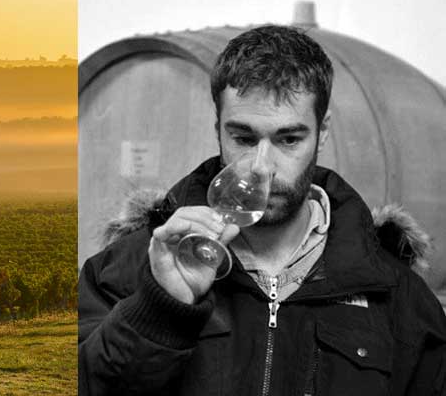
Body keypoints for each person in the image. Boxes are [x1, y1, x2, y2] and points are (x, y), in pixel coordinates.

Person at [77, 25, 446, 395]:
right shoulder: (127, 271)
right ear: (217, 129)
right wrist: (158, 309)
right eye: (243, 138)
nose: (261, 167)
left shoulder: (396, 295)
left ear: (324, 132)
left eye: (289, 139)